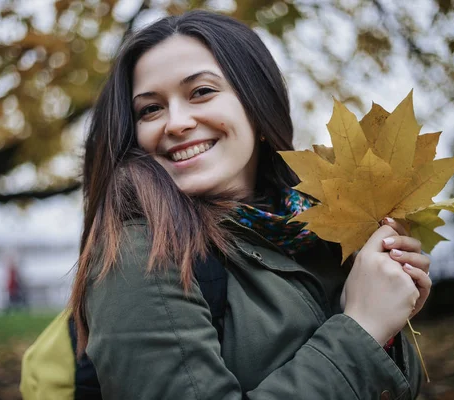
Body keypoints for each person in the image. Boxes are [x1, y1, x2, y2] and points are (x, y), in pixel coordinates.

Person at [68, 10, 431, 399]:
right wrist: (363, 329)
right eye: (150, 109)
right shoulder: (143, 249)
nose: (175, 123)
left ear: (258, 106)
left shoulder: (318, 231)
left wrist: (387, 317)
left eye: (201, 92)